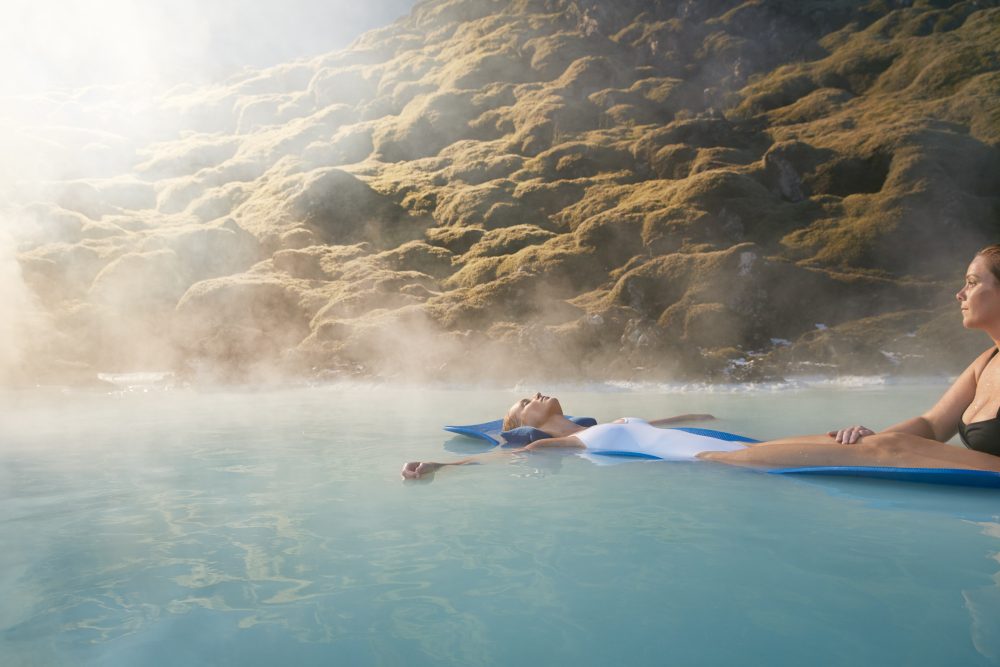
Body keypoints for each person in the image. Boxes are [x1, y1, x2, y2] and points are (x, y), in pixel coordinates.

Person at [402, 245, 1000, 479]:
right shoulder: (983, 364)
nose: (960, 291)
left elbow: (669, 424)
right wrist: (443, 465)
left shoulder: (594, 432)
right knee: (872, 444)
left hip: (714, 453)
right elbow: (929, 426)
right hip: (711, 456)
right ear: (524, 425)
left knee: (883, 449)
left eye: (972, 281)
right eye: (523, 403)